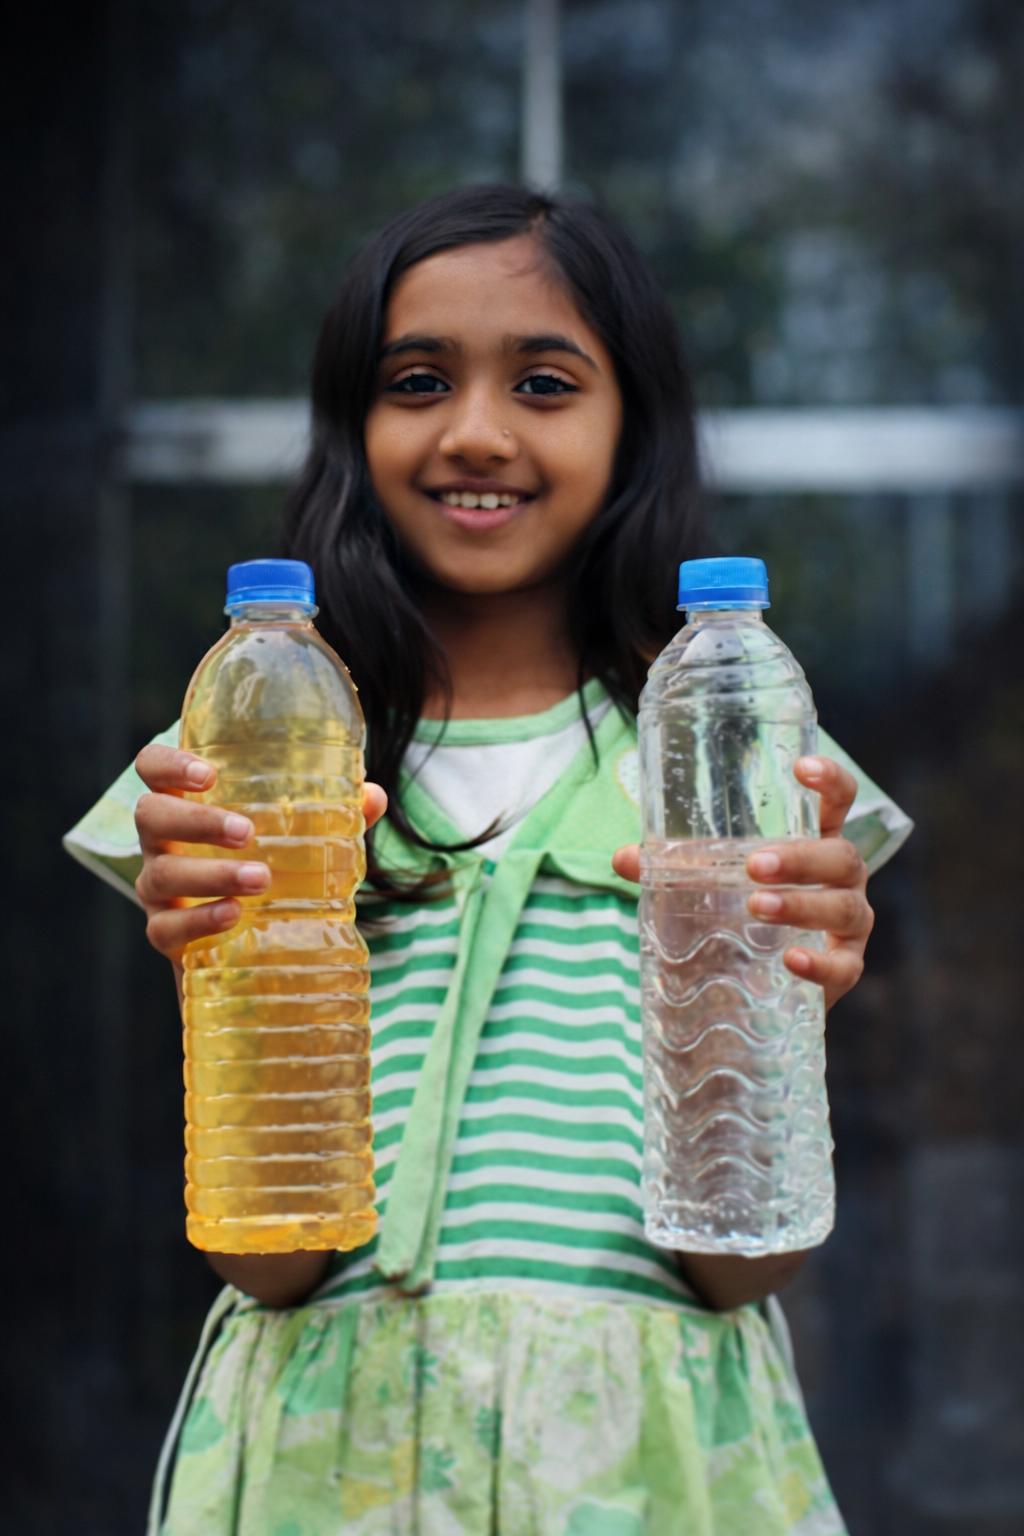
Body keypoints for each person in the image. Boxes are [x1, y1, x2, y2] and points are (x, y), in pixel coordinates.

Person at [65, 186, 911, 1536]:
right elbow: (260, 1260)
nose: (475, 431)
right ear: (351, 424)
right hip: (322, 1474)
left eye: (544, 381)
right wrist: (227, 964)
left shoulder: (740, 738)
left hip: (649, 1473)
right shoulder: (251, 739)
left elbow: (742, 1268)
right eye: (416, 381)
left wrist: (766, 994)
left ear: (634, 421)